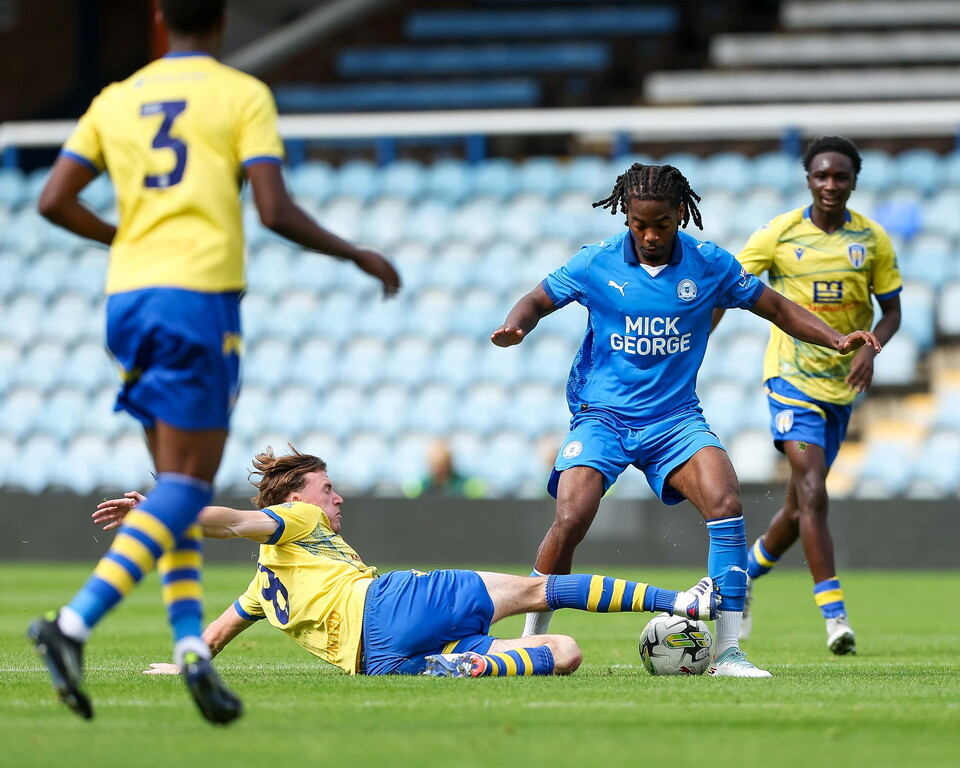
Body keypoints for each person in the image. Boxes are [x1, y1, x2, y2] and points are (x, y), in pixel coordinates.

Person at [28, 0, 400, 724]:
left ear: (159, 15)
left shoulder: (116, 97)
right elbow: (273, 210)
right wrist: (354, 252)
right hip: (196, 301)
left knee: (173, 486)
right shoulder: (239, 94)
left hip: (127, 302)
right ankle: (72, 624)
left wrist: (128, 241)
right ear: (222, 21)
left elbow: (52, 199)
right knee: (187, 484)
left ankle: (189, 649)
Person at [490, 162, 881, 678]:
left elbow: (777, 308)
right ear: (626, 217)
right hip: (602, 416)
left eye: (661, 224)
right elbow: (538, 299)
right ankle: (529, 641)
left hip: (674, 419)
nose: (650, 235)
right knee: (571, 518)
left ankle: (728, 653)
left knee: (726, 503)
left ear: (681, 213)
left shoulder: (710, 265)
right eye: (639, 225)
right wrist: (517, 326)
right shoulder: (595, 262)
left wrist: (835, 338)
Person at [92, 446, 720, 679]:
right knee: (540, 590)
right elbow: (232, 521)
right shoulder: (297, 519)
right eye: (327, 488)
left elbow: (217, 633)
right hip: (390, 603)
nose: (337, 498)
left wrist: (184, 664)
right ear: (296, 499)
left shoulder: (264, 585)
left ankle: (459, 665)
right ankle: (680, 602)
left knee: (564, 653)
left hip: (382, 661)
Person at [718, 136, 902, 655]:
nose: (830, 184)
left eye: (840, 176)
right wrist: (696, 343)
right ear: (808, 179)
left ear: (854, 181)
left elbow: (892, 311)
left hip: (840, 388)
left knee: (801, 509)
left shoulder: (872, 240)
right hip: (790, 382)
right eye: (821, 175)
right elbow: (726, 285)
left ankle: (743, 578)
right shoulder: (779, 234)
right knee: (814, 489)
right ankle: (835, 618)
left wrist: (872, 349)